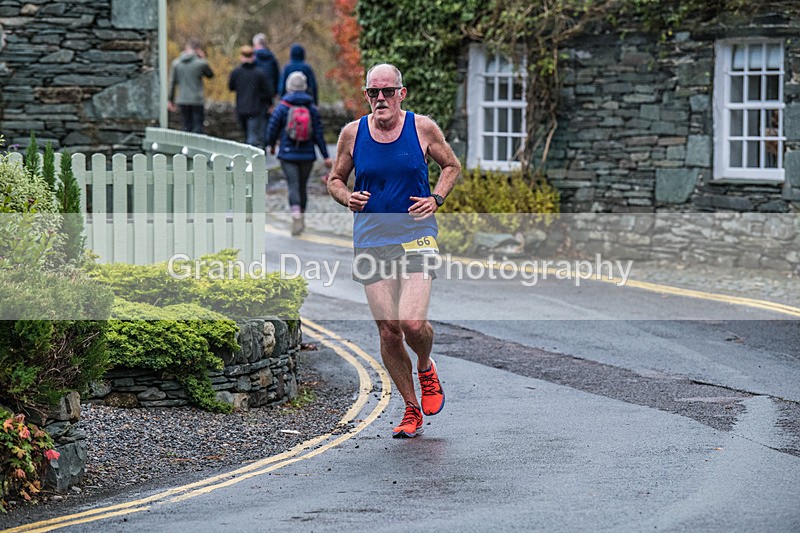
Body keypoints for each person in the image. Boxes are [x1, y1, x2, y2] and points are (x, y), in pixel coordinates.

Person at [326, 63, 461, 438]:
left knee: (412, 323)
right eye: (373, 92)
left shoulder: (423, 128)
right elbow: (335, 179)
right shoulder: (352, 134)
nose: (380, 99)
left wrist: (437, 197)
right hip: (371, 238)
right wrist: (346, 197)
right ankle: (411, 408)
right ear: (366, 94)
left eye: (387, 91)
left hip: (416, 235)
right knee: (388, 331)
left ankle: (425, 365)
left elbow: (451, 166)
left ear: (402, 93)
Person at [266, 71, 332, 236]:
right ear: (305, 87)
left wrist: (272, 145)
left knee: (293, 185)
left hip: (287, 154)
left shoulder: (282, 107)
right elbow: (318, 134)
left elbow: (272, 129)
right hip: (307, 155)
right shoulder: (312, 108)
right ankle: (301, 215)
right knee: (302, 186)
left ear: (289, 86)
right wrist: (326, 156)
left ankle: (295, 214)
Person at [228, 45, 273, 147]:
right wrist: (269, 103)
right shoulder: (259, 73)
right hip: (255, 108)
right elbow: (267, 92)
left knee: (247, 134)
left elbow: (231, 87)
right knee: (253, 135)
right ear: (253, 57)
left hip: (241, 108)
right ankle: (254, 158)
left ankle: (250, 158)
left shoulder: (236, 72)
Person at [168, 38, 214, 133]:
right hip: (196, 100)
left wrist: (170, 100)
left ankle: (186, 146)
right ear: (198, 49)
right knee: (197, 126)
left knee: (186, 125)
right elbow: (210, 75)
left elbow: (172, 83)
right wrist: (203, 58)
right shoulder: (200, 63)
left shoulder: (176, 63)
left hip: (182, 99)